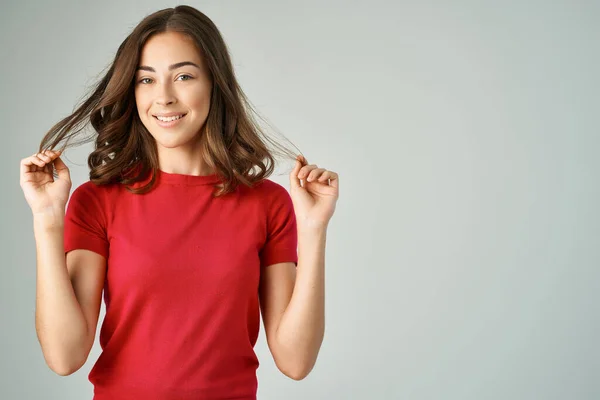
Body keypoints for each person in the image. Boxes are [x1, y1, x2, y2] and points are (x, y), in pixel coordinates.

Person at [19, 5, 339, 400]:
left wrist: (314, 229)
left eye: (184, 76)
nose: (164, 97)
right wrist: (47, 220)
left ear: (214, 84)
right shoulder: (97, 201)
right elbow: (64, 356)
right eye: (146, 80)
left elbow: (296, 361)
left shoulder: (268, 204)